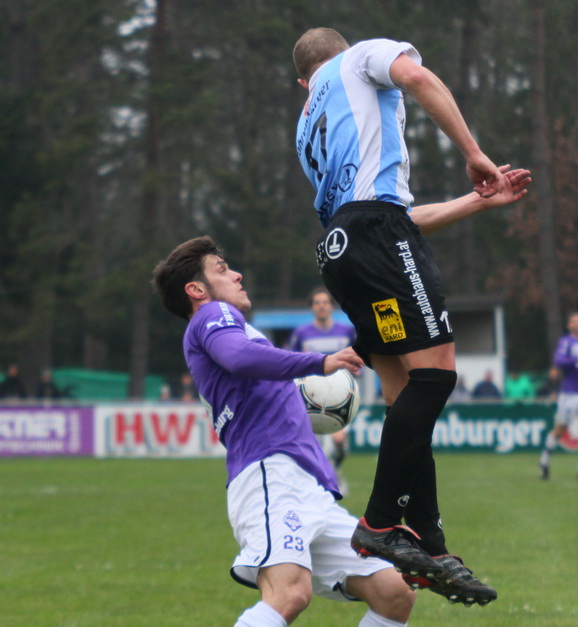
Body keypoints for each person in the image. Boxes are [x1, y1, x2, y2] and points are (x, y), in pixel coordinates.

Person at [293, 28, 530, 604]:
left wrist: (476, 201)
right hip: (377, 237)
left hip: (342, 249)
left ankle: (430, 544)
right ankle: (379, 523)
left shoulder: (306, 124)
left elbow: (394, 213)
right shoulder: (361, 57)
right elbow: (418, 77)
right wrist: (474, 155)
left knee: (406, 399)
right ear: (342, 52)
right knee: (437, 376)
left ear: (303, 81)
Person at [152, 237, 417, 626]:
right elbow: (239, 357)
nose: (237, 274)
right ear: (196, 290)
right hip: (271, 476)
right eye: (222, 269)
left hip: (306, 484)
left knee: (393, 591)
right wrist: (319, 363)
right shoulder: (213, 314)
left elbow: (248, 361)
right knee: (289, 594)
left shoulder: (229, 326)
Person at [288, 287, 357, 494]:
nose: (321, 306)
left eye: (325, 302)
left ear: (331, 306)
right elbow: (290, 361)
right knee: (313, 443)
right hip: (311, 397)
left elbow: (358, 356)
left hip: (340, 395)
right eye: (317, 303)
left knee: (339, 440)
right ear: (312, 307)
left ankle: (335, 470)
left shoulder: (346, 332)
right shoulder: (301, 334)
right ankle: (321, 479)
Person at [538, 312, 578, 481]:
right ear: (569, 325)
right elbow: (559, 361)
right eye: (573, 321)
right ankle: (544, 461)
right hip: (569, 393)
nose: (576, 324)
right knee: (560, 430)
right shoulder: (566, 342)